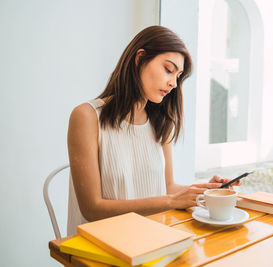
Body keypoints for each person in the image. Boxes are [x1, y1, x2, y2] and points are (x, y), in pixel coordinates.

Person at [67, 25, 240, 235]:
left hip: (149, 238)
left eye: (178, 76)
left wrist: (205, 190)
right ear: (140, 59)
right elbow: (92, 209)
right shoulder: (87, 116)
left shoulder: (160, 122)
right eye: (168, 69)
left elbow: (167, 188)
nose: (174, 83)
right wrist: (170, 201)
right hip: (100, 246)